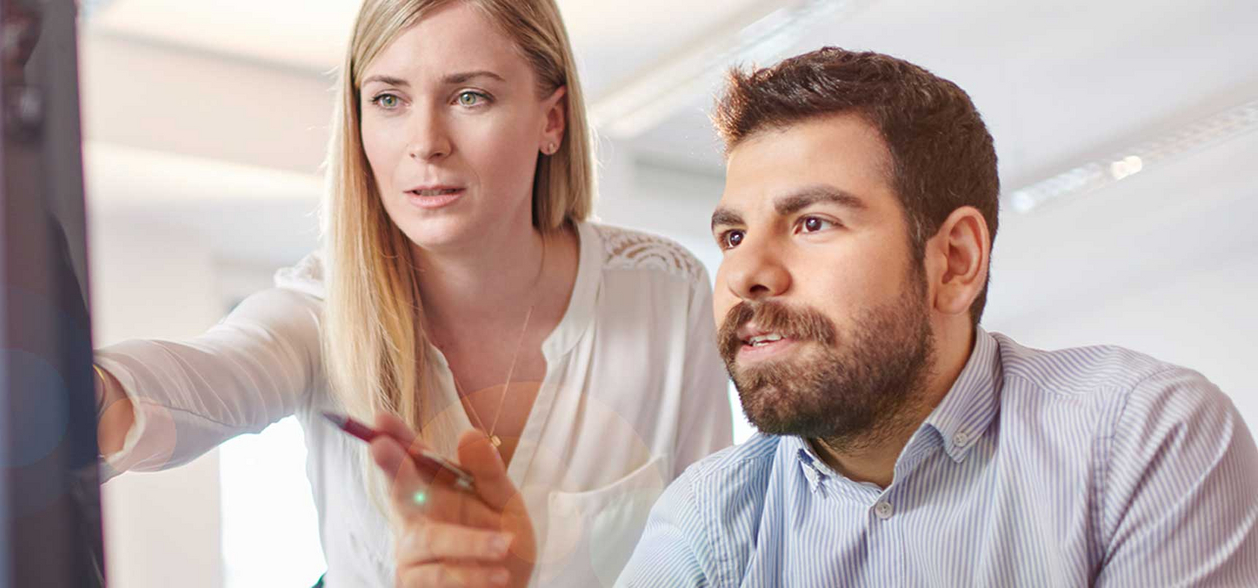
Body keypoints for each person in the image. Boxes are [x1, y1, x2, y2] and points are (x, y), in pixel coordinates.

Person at [379, 47, 1258, 587]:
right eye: (731, 233)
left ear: (953, 260)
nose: (746, 273)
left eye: (812, 223)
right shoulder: (712, 520)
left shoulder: (1140, 439)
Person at [88, 0, 734, 585]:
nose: (426, 144)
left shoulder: (662, 292)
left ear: (552, 121)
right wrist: (92, 391)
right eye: (390, 100)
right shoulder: (321, 308)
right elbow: (213, 373)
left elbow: (710, 552)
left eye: (471, 97)